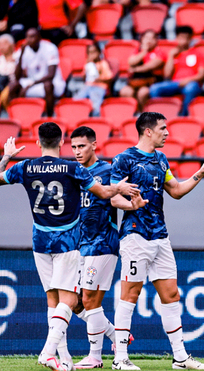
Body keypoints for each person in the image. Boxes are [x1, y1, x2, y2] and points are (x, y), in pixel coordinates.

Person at [0, 122, 137, 371]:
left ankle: (64, 359)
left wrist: (6, 156)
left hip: (39, 242)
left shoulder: (24, 167)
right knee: (68, 300)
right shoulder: (72, 168)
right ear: (61, 143)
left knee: (53, 300)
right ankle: (48, 353)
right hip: (67, 243)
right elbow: (102, 193)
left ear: (38, 143)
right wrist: (119, 187)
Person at [110, 112, 204, 370]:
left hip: (160, 236)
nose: (167, 132)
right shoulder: (124, 159)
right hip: (135, 235)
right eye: (163, 128)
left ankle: (180, 358)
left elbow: (177, 191)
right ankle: (120, 358)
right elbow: (114, 198)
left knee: (171, 294)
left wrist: (201, 172)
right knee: (130, 294)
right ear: (147, 131)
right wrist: (131, 204)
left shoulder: (161, 159)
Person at [69, 126, 124, 369]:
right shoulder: (73, 173)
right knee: (76, 302)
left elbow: (118, 197)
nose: (77, 151)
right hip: (81, 245)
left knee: (90, 299)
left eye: (81, 146)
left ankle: (95, 357)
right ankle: (114, 336)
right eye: (73, 147)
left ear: (94, 145)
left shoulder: (108, 170)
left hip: (102, 243)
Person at [149, 26, 204, 116]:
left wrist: (188, 80)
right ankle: (161, 116)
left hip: (191, 83)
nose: (183, 40)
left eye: (185, 37)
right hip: (175, 84)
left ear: (190, 38)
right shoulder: (173, 54)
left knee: (191, 88)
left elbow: (202, 74)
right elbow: (167, 75)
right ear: (177, 38)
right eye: (180, 37)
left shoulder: (197, 53)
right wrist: (171, 56)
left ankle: (183, 116)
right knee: (154, 89)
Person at [7, 28, 66, 116]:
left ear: (39, 38)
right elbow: (17, 77)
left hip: (49, 83)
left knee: (48, 85)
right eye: (27, 37)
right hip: (31, 82)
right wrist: (21, 55)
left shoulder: (50, 48)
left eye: (32, 37)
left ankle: (50, 117)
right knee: (12, 85)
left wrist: (30, 85)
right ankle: (15, 116)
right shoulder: (23, 50)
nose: (29, 40)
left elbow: (51, 75)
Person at [119, 29, 166, 111]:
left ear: (156, 40)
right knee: (125, 92)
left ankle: (144, 113)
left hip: (151, 81)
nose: (149, 40)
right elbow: (131, 62)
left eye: (152, 38)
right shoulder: (137, 51)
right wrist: (144, 52)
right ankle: (134, 112)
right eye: (146, 38)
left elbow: (150, 66)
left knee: (143, 93)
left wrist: (135, 70)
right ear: (142, 39)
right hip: (135, 81)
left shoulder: (159, 52)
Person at [74, 42, 114, 116]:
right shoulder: (87, 64)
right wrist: (87, 66)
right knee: (76, 100)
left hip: (99, 87)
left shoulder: (103, 63)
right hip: (88, 86)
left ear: (99, 52)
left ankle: (95, 118)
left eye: (94, 52)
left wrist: (99, 79)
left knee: (95, 103)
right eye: (90, 53)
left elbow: (109, 77)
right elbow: (84, 78)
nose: (92, 54)